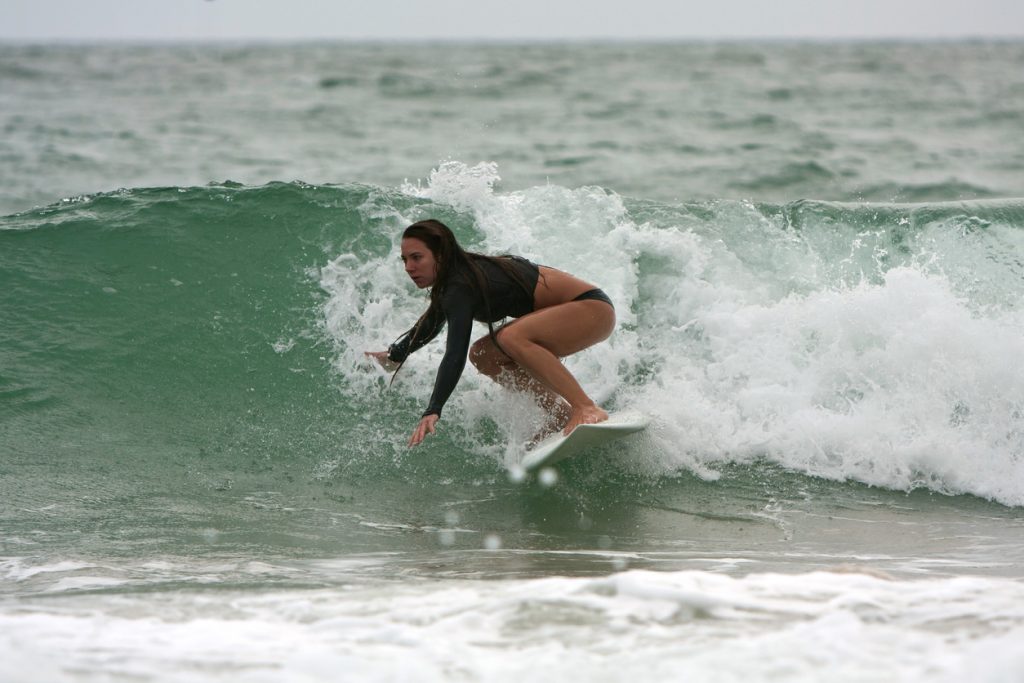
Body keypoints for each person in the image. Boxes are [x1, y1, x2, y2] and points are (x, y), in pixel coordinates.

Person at [366, 219, 615, 447]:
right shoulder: (455, 281)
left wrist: (434, 409)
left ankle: (585, 407)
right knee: (484, 354)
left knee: (510, 338)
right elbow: (431, 323)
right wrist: (395, 355)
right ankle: (558, 413)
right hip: (573, 317)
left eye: (416, 257)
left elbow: (455, 354)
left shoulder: (460, 284)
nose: (409, 267)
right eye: (404, 260)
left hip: (592, 309)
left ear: (440, 255)